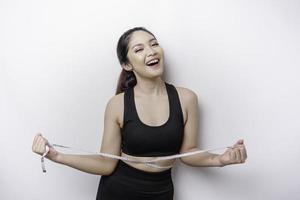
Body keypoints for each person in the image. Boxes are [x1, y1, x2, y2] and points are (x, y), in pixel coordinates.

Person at [32, 27, 247, 200]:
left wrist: (221, 159)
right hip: (117, 191)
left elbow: (188, 152)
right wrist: (57, 156)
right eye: (139, 49)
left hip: (161, 192)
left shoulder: (187, 98)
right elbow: (105, 164)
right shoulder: (117, 105)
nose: (151, 51)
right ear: (127, 64)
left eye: (154, 44)